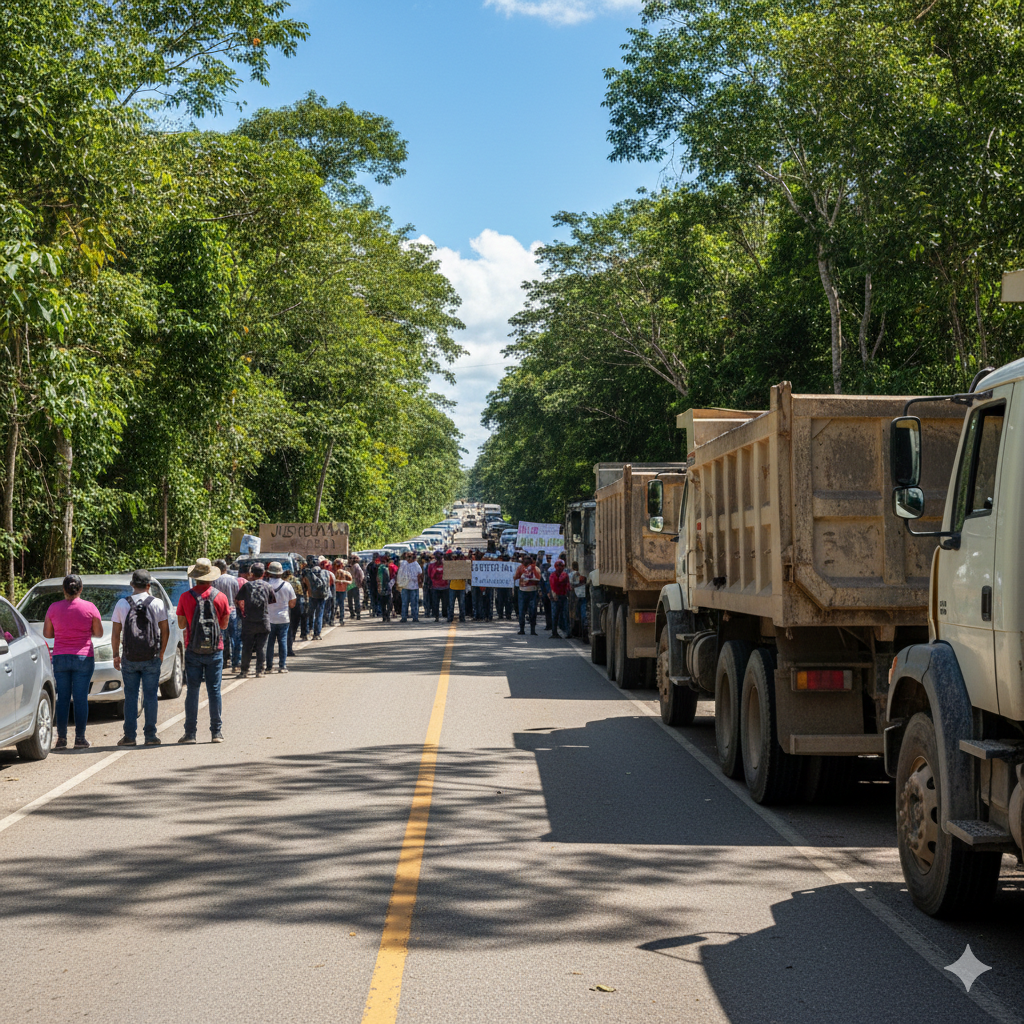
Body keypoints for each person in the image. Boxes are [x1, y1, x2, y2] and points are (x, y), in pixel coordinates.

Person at [176, 558, 231, 743]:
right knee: (214, 691)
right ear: (211, 577)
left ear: (196, 577)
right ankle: (216, 732)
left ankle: (190, 734)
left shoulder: (185, 597)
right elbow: (223, 625)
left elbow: (182, 624)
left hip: (193, 649)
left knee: (192, 691)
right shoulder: (220, 596)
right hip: (215, 650)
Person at [111, 569, 169, 746]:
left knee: (131, 696)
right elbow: (165, 630)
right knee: (150, 695)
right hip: (151, 656)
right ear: (149, 586)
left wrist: (115, 655)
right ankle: (151, 736)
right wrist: (161, 652)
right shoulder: (157, 603)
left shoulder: (122, 603)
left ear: (132, 585)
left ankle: (129, 736)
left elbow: (115, 633)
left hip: (129, 657)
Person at [44, 574, 103, 749]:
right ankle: (80, 738)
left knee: (62, 698)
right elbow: (98, 633)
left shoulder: (53, 608)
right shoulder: (90, 607)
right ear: (81, 589)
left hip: (60, 657)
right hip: (83, 657)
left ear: (63, 590)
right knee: (80, 698)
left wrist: (63, 632)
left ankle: (61, 739)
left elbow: (47, 634)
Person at [237, 561, 271, 677]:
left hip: (249, 621)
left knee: (247, 647)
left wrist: (243, 611)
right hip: (263, 620)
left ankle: (244, 671)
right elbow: (271, 601)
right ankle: (260, 671)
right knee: (261, 647)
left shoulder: (247, 586)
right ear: (263, 573)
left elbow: (238, 599)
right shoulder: (267, 586)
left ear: (251, 574)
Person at [264, 561, 297, 673]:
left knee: (270, 643)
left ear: (269, 573)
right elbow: (292, 603)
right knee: (283, 641)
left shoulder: (266, 585)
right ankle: (282, 666)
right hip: (283, 618)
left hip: (269, 618)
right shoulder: (287, 585)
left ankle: (269, 667)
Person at [212, 558, 240, 671]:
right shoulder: (233, 580)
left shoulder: (214, 581)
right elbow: (237, 597)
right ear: (225, 568)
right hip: (232, 611)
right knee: (235, 638)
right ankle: (235, 663)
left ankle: (222, 662)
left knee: (221, 638)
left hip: (218, 613)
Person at [302, 554, 330, 639]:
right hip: (322, 595)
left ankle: (306, 632)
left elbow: (304, 585)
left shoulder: (307, 572)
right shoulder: (324, 572)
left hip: (312, 595)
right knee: (319, 615)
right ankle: (317, 634)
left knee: (309, 614)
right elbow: (328, 584)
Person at [513, 554, 542, 636]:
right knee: (524, 611)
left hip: (531, 592)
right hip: (524, 591)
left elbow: (539, 579)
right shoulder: (521, 568)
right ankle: (524, 629)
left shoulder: (535, 569)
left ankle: (530, 629)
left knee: (530, 611)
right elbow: (515, 577)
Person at [396, 551, 423, 622]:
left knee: (414, 603)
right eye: (407, 557)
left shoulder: (416, 565)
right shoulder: (403, 564)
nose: (408, 559)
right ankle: (404, 617)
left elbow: (419, 574)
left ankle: (415, 617)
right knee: (404, 603)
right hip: (405, 586)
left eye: (410, 557)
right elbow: (399, 573)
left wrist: (419, 583)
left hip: (414, 587)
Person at [548, 559, 571, 639]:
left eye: (561, 566)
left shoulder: (564, 575)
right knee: (555, 615)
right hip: (556, 597)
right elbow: (553, 586)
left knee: (565, 615)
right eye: (558, 566)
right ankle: (554, 632)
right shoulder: (553, 576)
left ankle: (568, 632)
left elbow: (567, 584)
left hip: (563, 596)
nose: (559, 568)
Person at [285, 569, 302, 657]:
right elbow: (301, 592)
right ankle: (290, 647)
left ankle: (287, 648)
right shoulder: (296, 580)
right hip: (296, 602)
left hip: (286, 604)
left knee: (288, 628)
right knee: (294, 626)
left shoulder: (283, 582)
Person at [427, 550, 449, 622]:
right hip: (435, 587)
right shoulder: (431, 565)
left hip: (445, 587)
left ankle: (444, 614)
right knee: (435, 603)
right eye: (437, 556)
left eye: (440, 556)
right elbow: (429, 575)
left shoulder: (446, 565)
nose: (439, 558)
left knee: (445, 603)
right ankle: (436, 616)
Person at [447, 554, 468, 623]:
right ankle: (450, 617)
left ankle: (462, 617)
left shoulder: (464, 567)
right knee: (451, 604)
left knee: (461, 604)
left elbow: (467, 576)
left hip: (461, 587)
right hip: (453, 586)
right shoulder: (451, 566)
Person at [570, 561, 588, 638]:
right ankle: (583, 632)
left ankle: (577, 632)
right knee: (583, 614)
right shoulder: (581, 575)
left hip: (575, 597)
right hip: (583, 596)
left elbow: (570, 586)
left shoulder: (571, 574)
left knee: (576, 615)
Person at [332, 558, 352, 624]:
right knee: (336, 605)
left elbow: (350, 581)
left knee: (340, 605)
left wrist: (343, 581)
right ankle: (333, 619)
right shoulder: (334, 573)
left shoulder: (346, 573)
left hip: (342, 590)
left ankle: (340, 619)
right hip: (337, 590)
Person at [495, 554, 514, 621]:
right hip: (502, 585)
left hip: (507, 585)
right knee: (503, 600)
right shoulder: (499, 566)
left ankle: (505, 614)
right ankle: (504, 614)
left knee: (506, 600)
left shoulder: (511, 566)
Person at [377, 556, 394, 624]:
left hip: (381, 587)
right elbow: (387, 578)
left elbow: (377, 577)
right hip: (386, 587)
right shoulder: (385, 568)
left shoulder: (379, 568)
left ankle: (384, 616)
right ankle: (388, 615)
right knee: (389, 602)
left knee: (382, 603)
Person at [347, 556, 364, 620]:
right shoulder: (356, 566)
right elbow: (362, 575)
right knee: (356, 600)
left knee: (351, 600)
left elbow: (361, 575)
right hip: (354, 585)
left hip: (350, 585)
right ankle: (357, 613)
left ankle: (353, 613)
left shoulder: (353, 566)